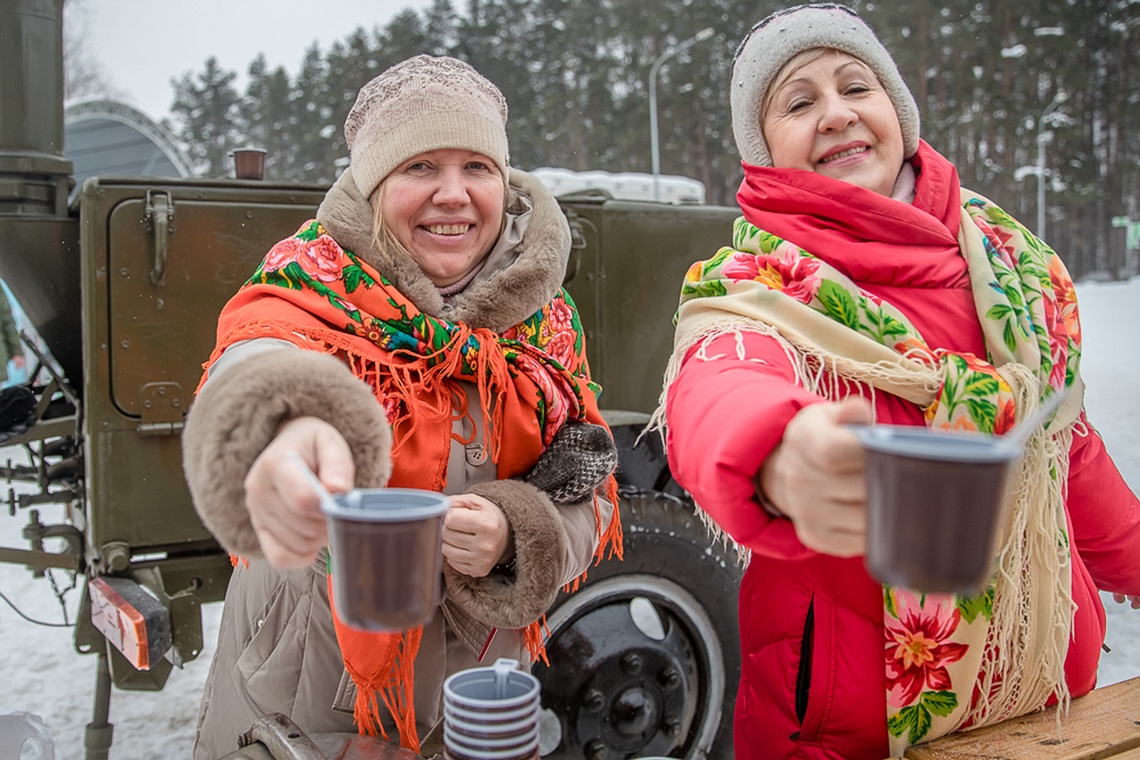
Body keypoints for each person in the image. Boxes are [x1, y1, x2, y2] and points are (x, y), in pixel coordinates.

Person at [657, 5, 1140, 759]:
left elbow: (1065, 449)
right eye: (799, 101)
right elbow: (721, 382)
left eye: (858, 87)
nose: (837, 114)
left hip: (1046, 709)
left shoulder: (1011, 268)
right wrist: (781, 451)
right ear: (763, 150)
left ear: (897, 112)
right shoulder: (755, 286)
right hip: (845, 732)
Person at [182, 55, 621, 760]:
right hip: (307, 695)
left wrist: (519, 533)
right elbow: (256, 365)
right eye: (420, 168)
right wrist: (277, 441)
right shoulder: (312, 284)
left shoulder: (547, 322)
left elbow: (589, 486)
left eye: (476, 167)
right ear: (374, 183)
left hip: (477, 696)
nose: (453, 194)